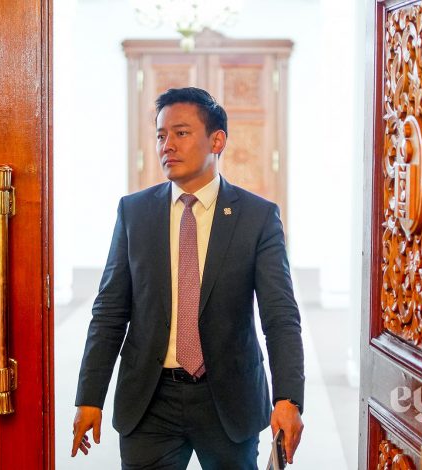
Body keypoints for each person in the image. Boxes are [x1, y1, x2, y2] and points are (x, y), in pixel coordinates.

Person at [71, 87, 304, 469]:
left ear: (217, 140)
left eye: (180, 133)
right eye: (161, 135)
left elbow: (280, 316)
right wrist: (89, 397)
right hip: (150, 400)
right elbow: (110, 311)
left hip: (228, 399)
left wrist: (288, 398)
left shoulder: (257, 217)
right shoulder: (135, 213)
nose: (167, 145)